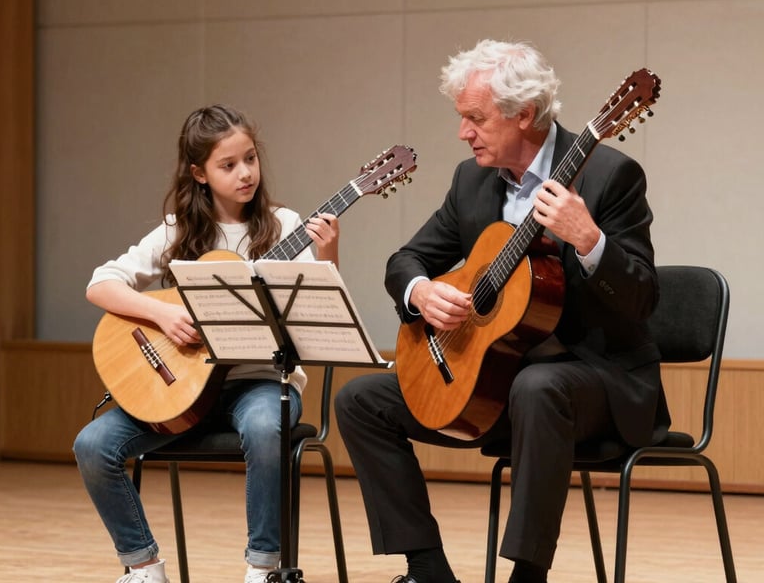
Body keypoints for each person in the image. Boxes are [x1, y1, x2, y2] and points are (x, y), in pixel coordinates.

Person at [334, 39, 671, 583]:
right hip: (496, 381)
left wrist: (589, 241)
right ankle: (427, 569)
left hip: (596, 382)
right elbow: (407, 259)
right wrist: (420, 291)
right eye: (462, 117)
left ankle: (526, 576)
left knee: (538, 385)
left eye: (475, 118)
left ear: (524, 116)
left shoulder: (611, 176)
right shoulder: (472, 182)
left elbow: (643, 299)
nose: (463, 132)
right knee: (359, 400)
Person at [73, 104, 340, 583]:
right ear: (199, 173)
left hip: (261, 383)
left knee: (264, 428)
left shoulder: (285, 225)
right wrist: (161, 311)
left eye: (251, 159)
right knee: (92, 444)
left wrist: (327, 253)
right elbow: (100, 284)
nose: (246, 173)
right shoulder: (179, 230)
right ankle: (143, 566)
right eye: (228, 164)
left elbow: (318, 312)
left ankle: (263, 568)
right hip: (183, 390)